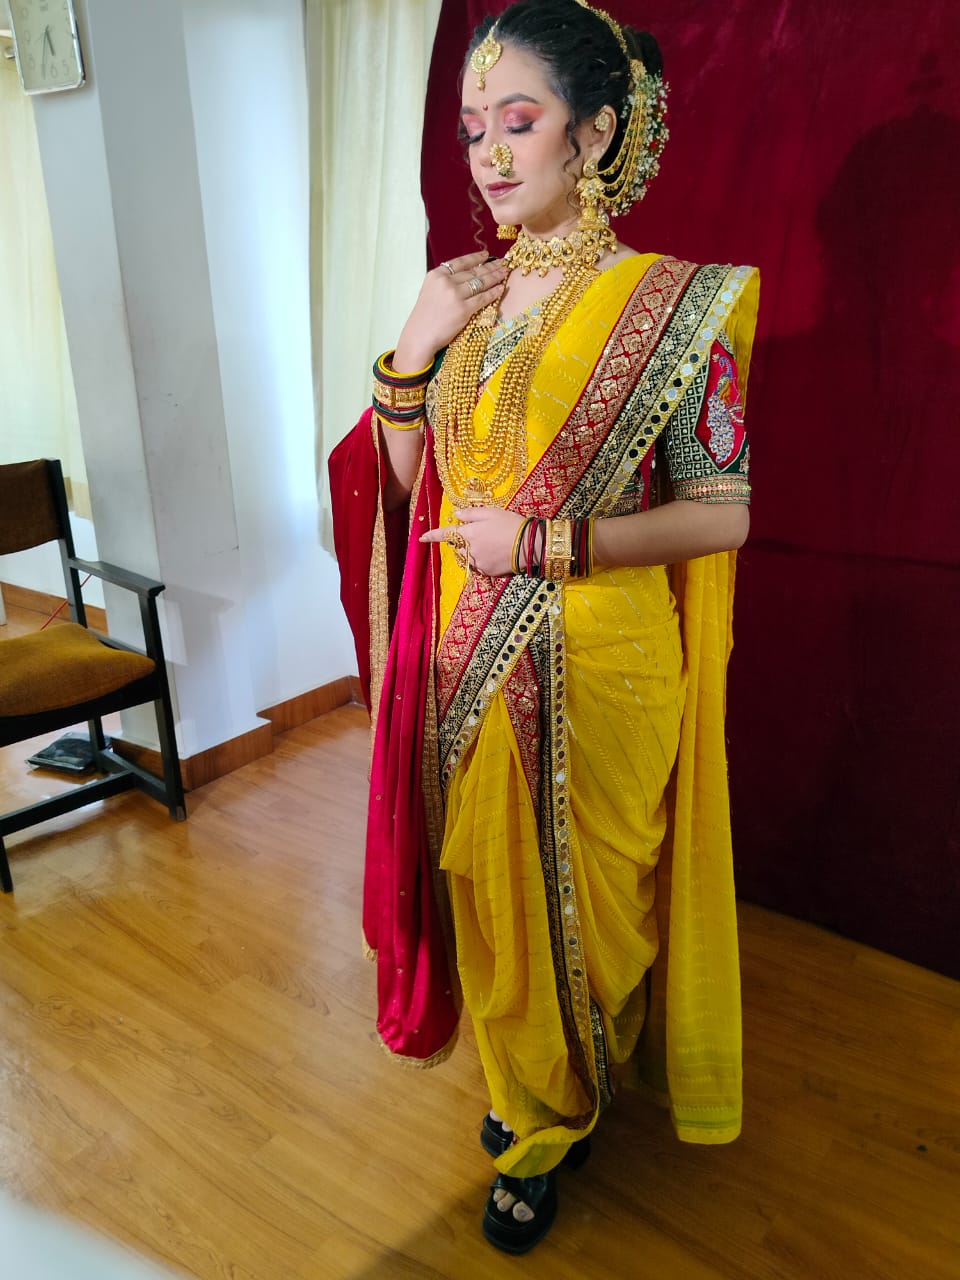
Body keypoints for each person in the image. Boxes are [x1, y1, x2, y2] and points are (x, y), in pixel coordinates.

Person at [330, 0, 760, 1255]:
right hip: (463, 654)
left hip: (603, 662)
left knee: (586, 905)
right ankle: (532, 1083)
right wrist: (409, 353)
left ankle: (557, 1106)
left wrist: (543, 544)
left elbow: (723, 513)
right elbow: (408, 488)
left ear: (597, 132)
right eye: (474, 130)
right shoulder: (464, 298)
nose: (489, 155)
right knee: (488, 891)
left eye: (517, 122)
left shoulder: (675, 306)